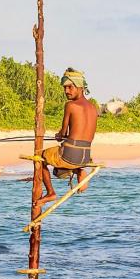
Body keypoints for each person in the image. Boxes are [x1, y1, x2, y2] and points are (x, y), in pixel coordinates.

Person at [37, 68, 98, 206]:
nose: (66, 91)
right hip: (85, 156)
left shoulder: (70, 105)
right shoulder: (93, 108)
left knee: (39, 157)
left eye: (70, 87)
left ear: (80, 87)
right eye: (65, 88)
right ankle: (79, 170)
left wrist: (59, 135)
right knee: (61, 163)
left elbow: (63, 133)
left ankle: (51, 192)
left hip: (69, 154)